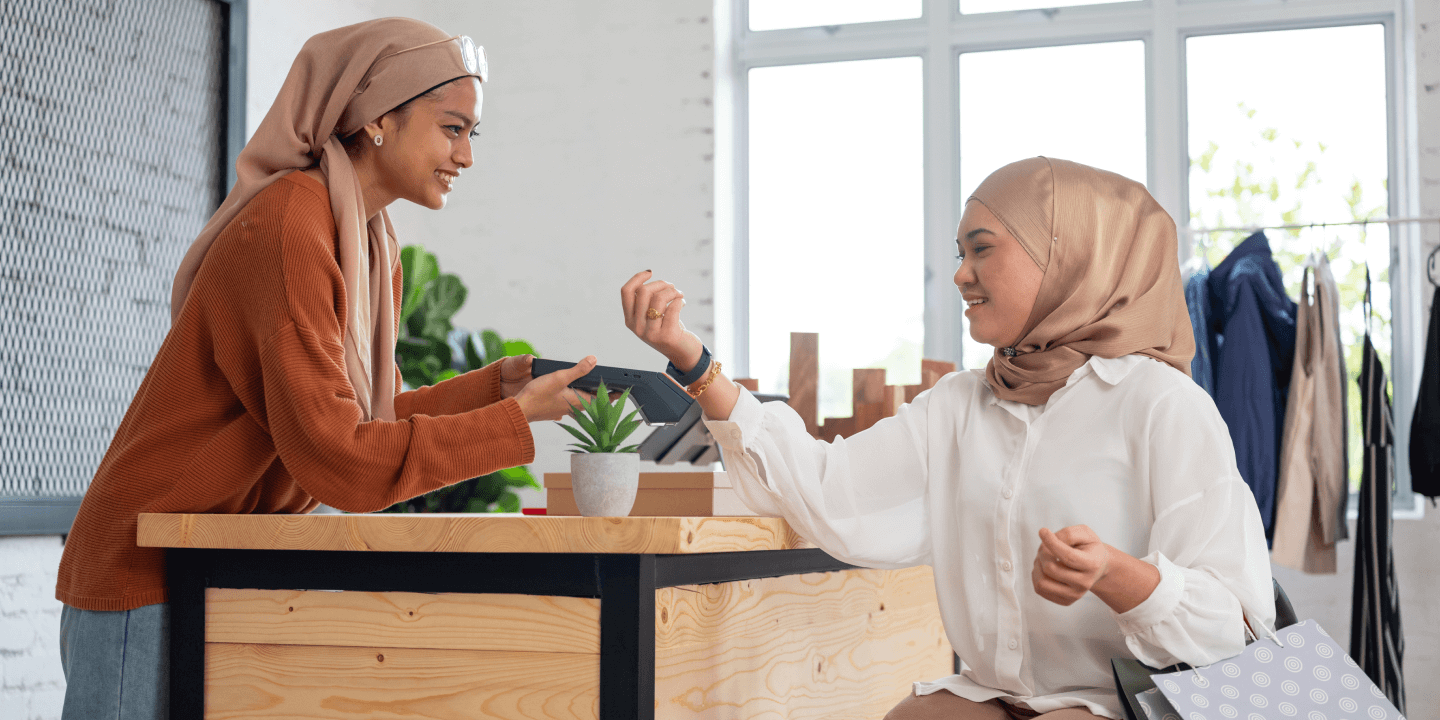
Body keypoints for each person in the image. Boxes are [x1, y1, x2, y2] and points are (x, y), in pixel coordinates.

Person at [54, 18, 595, 720]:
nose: (466, 155)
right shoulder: (289, 226)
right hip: (148, 571)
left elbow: (368, 419)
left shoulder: (368, 240)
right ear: (377, 120)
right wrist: (509, 423)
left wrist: (498, 389)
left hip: (221, 563)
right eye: (452, 128)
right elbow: (340, 458)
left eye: (473, 134)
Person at [621, 157, 1274, 720]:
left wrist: (1119, 574)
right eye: (960, 253)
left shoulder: (1162, 406)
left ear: (1064, 256)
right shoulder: (961, 404)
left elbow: (1228, 629)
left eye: (982, 248)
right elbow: (827, 491)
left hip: (1135, 699)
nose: (961, 273)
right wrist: (695, 363)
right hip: (999, 693)